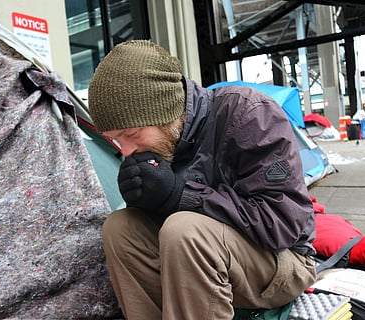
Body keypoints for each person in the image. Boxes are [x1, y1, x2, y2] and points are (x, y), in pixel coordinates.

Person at [88, 40, 316, 320]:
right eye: (115, 139)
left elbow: (282, 225)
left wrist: (180, 196)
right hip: (206, 262)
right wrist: (147, 200)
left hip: (282, 262)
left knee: (185, 230)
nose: (125, 151)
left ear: (167, 111)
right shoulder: (159, 143)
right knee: (120, 228)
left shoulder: (250, 114)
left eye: (132, 134)